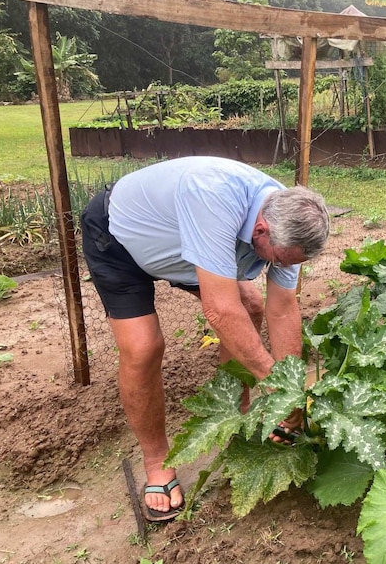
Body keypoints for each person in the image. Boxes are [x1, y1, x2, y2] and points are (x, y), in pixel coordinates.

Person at [80, 156, 330, 522]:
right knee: (143, 346)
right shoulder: (212, 195)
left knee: (252, 303)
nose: (279, 266)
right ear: (260, 230)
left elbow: (283, 308)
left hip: (184, 245)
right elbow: (220, 311)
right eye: (277, 260)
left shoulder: (289, 220)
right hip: (121, 238)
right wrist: (273, 384)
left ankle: (234, 415)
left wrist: (290, 390)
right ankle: (156, 461)